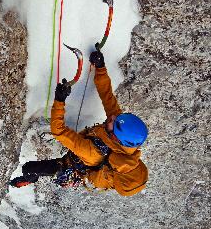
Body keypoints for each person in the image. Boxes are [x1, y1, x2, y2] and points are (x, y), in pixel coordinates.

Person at [9, 49, 148, 196]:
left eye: (115, 122)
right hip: (88, 150)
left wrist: (59, 100)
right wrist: (100, 68)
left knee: (29, 168)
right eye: (119, 118)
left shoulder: (92, 152)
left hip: (73, 168)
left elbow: (59, 131)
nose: (114, 117)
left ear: (115, 138)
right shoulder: (120, 130)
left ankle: (28, 179)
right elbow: (107, 96)